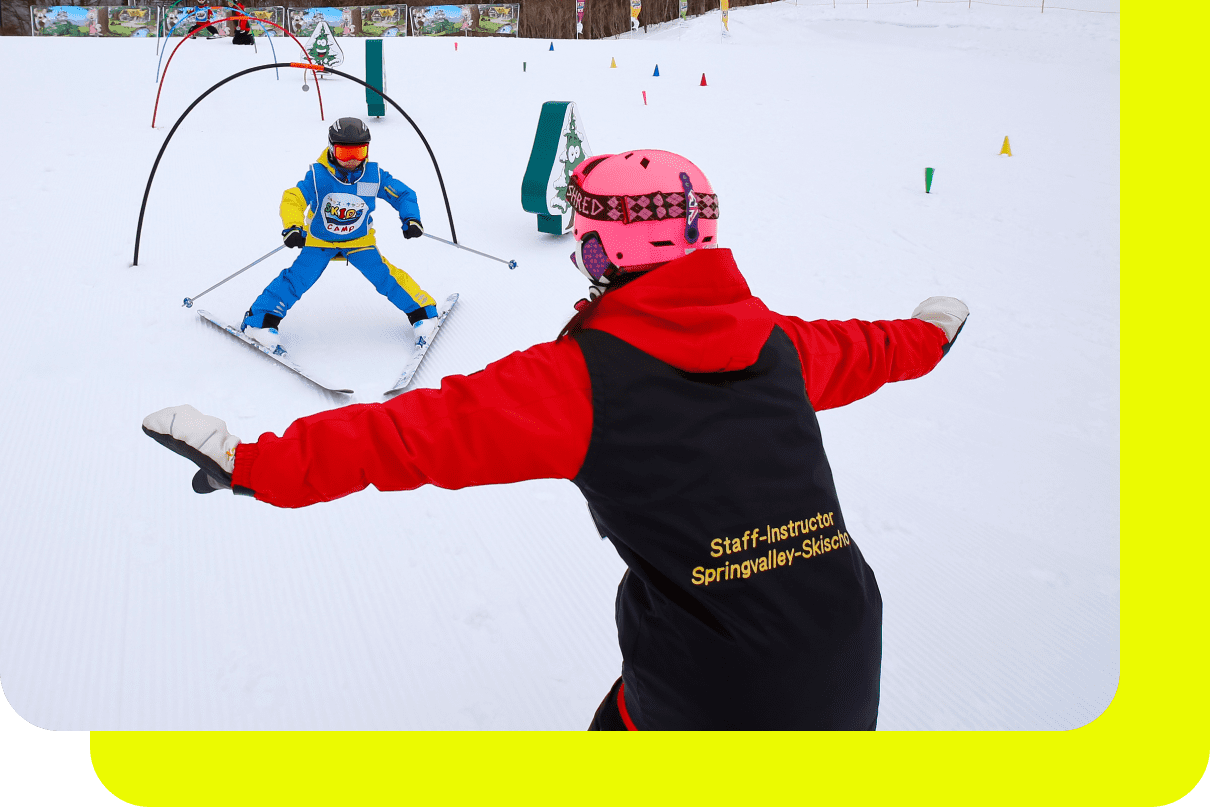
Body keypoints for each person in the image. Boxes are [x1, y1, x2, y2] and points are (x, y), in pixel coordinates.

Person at [143, 148, 968, 730]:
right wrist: (928, 337)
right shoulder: (780, 344)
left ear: (609, 248)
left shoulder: (580, 381)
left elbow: (409, 435)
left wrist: (253, 466)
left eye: (585, 238)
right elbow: (871, 349)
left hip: (712, 694)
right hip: (847, 652)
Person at [238, 116, 438, 349]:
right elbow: (293, 198)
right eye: (345, 153)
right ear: (332, 149)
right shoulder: (319, 176)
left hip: (359, 241)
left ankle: (422, 313)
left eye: (359, 152)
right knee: (297, 279)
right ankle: (260, 321)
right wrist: (293, 226)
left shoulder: (373, 176)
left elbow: (402, 194)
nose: (352, 160)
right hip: (320, 240)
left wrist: (411, 218)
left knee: (385, 276)